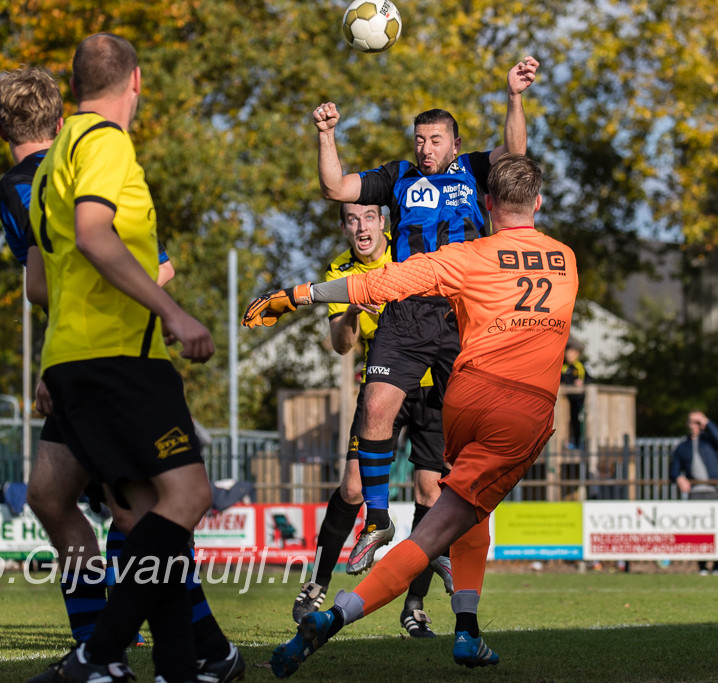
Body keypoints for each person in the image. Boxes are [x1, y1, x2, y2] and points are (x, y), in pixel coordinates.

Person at [244, 154, 577, 675]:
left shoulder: (467, 256)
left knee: (471, 507)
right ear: (538, 202)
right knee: (437, 529)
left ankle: (467, 629)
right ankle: (336, 615)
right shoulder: (566, 259)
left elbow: (377, 284)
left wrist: (297, 295)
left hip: (465, 399)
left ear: (487, 204)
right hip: (519, 412)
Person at [0, 66, 241, 681]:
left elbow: (46, 283)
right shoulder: (84, 158)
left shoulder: (36, 180)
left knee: (138, 511)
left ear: (2, 128)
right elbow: (157, 265)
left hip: (109, 360)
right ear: (59, 119)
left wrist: (133, 315)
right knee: (56, 497)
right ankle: (163, 652)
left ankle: (112, 652)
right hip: (86, 358)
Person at [310, 57, 540, 572]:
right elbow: (335, 188)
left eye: (435, 140)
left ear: (455, 145)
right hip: (406, 309)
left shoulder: (476, 170)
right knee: (375, 406)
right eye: (419, 139)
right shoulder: (397, 177)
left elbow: (516, 153)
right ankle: (377, 519)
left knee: (459, 443)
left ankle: (453, 541)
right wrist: (326, 135)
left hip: (462, 313)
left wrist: (514, 97)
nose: (425, 148)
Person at [291, 202, 491, 641]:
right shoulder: (340, 271)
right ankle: (317, 583)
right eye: (352, 220)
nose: (361, 227)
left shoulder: (409, 253)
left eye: (369, 217)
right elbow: (341, 345)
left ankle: (414, 606)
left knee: (430, 492)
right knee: (352, 488)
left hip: (432, 391)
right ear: (344, 227)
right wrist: (351, 307)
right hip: (384, 388)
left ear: (384, 222)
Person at [669, 410, 718, 575]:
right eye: (692, 422)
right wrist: (679, 477)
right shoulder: (682, 446)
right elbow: (674, 470)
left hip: (714, 490)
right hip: (695, 492)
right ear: (687, 424)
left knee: (717, 528)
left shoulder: (709, 441)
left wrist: (707, 423)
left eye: (698, 422)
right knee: (699, 530)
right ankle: (702, 565)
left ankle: (717, 565)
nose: (695, 425)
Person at [560, 341, 586, 449]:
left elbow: (590, 379)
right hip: (565, 400)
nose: (569, 355)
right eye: (568, 353)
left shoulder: (581, 366)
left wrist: (582, 382)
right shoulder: (563, 367)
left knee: (578, 421)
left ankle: (578, 443)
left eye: (572, 353)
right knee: (566, 421)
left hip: (578, 400)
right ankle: (568, 442)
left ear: (577, 354)